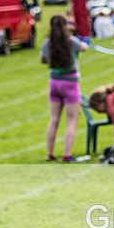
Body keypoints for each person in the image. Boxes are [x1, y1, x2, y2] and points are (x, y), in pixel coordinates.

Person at [41, 15, 88, 162]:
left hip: (54, 82)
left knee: (54, 119)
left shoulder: (47, 43)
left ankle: (50, 153)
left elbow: (43, 60)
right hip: (70, 83)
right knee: (71, 120)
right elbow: (84, 48)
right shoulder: (71, 41)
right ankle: (67, 154)